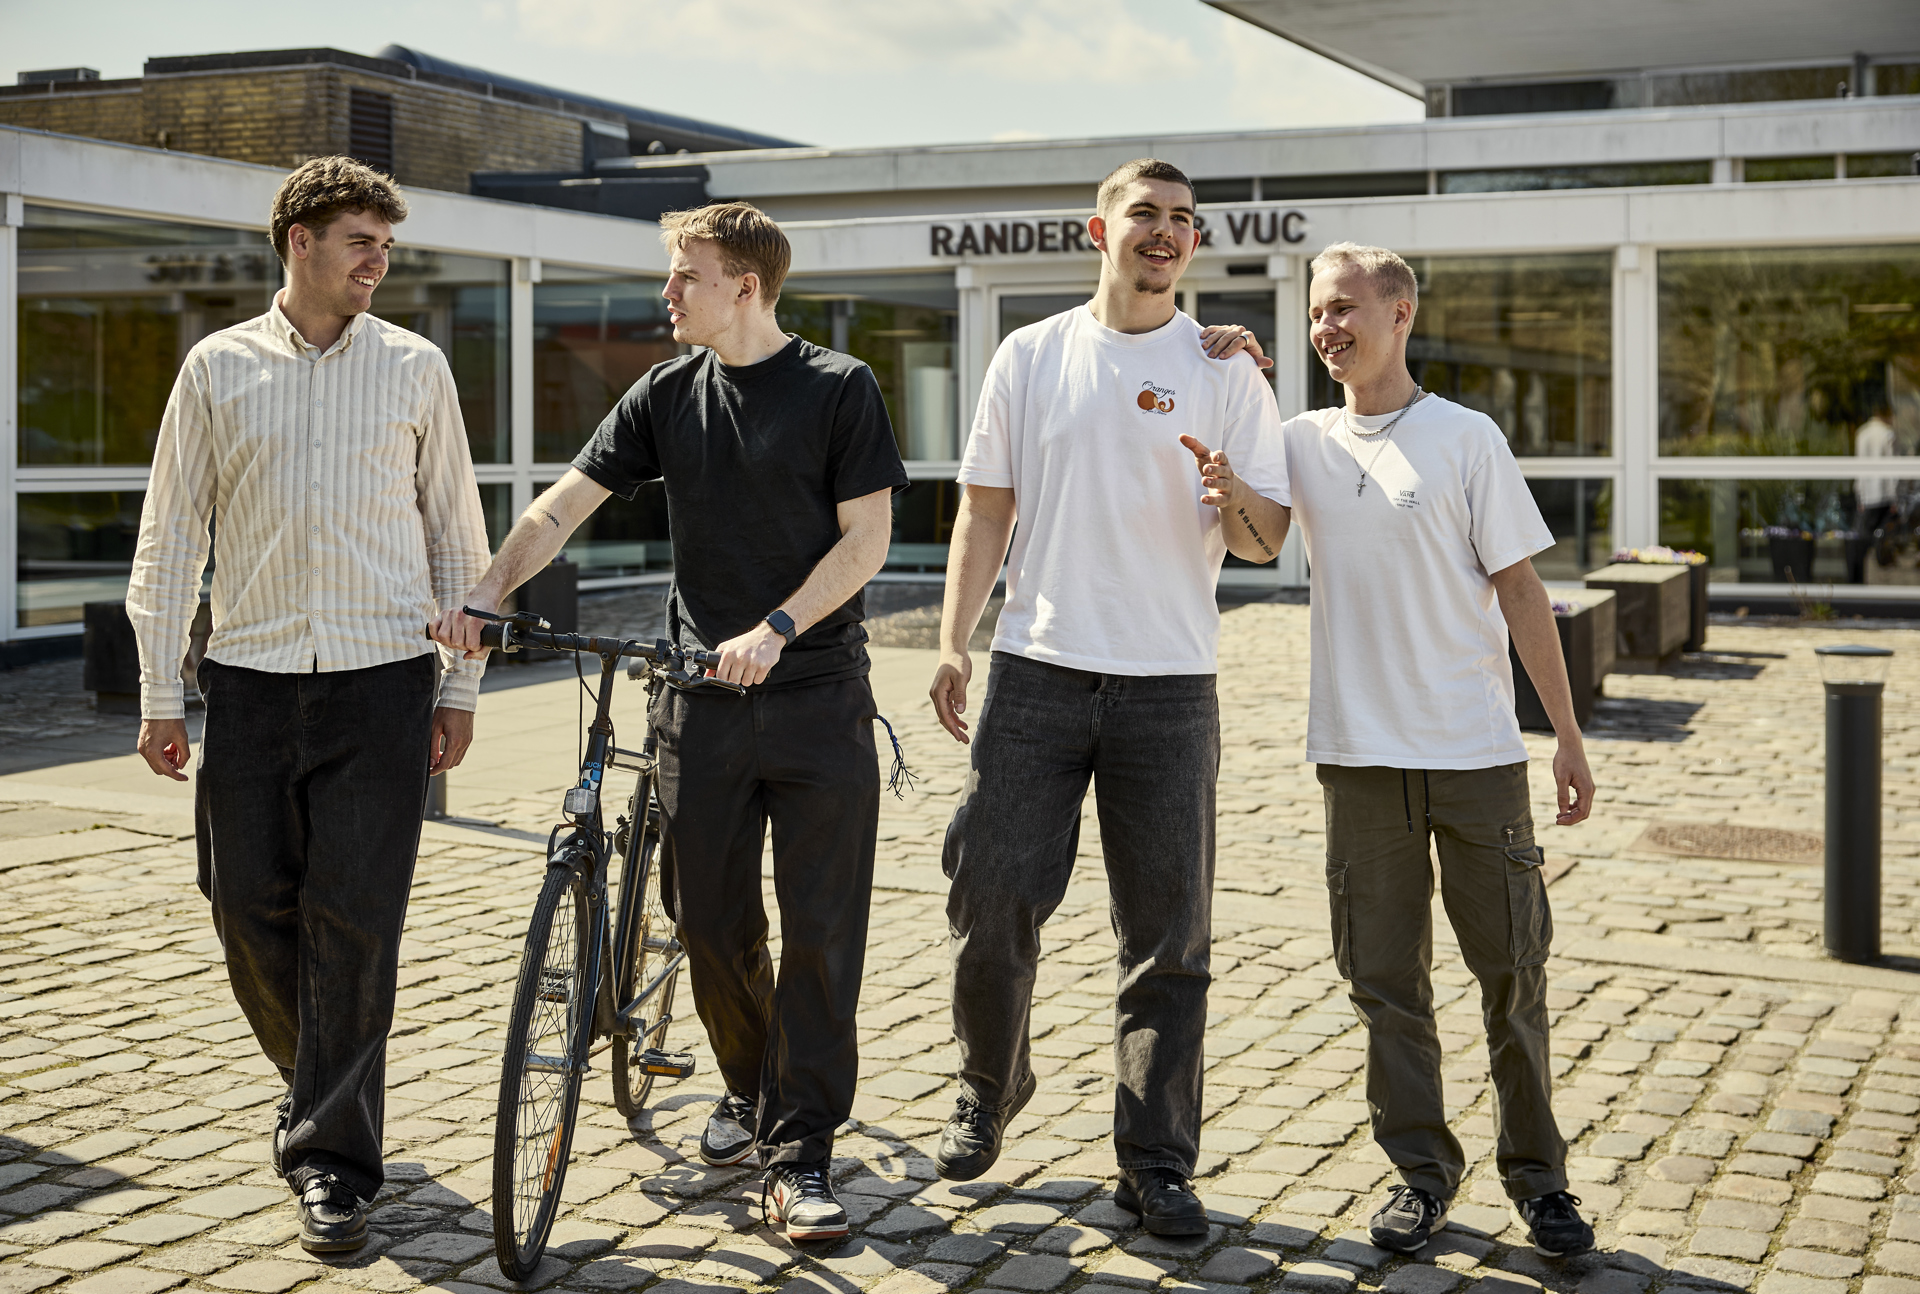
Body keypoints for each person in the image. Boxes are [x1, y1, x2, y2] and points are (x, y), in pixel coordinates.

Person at [430, 202, 905, 1244]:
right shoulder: (666, 393)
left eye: (686, 275)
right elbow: (562, 505)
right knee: (708, 924)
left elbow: (867, 539)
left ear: (746, 286)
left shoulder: (839, 387)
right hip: (698, 699)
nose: (668, 293)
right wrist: (487, 593)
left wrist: (777, 628)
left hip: (818, 697)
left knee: (822, 932)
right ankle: (752, 1086)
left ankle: (801, 1151)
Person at [128, 157, 490, 1254]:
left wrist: (462, 683)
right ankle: (322, 1077)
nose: (378, 262)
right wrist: (159, 690)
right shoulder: (215, 367)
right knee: (244, 906)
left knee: (357, 920)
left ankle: (332, 1158)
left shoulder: (416, 368)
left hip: (384, 682)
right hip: (249, 679)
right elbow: (172, 535)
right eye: (359, 243)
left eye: (386, 246)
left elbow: (454, 534)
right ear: (299, 240)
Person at [928, 158, 1291, 1237]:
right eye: (1145, 214)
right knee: (990, 894)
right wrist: (954, 643)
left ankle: (1157, 1158)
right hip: (1035, 671)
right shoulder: (1031, 353)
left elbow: (1265, 542)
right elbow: (985, 510)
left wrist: (1234, 494)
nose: (1165, 232)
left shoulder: (1228, 371)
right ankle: (989, 1083)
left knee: (1169, 935)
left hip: (1170, 686)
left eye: (1183, 219)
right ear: (1101, 230)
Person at [1285, 241, 1597, 1258]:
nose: (1328, 327)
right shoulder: (1301, 442)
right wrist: (1221, 354)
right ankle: (1421, 1175)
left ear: (1400, 313)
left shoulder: (1466, 438)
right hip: (1359, 760)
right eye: (1317, 311)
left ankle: (1541, 1181)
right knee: (1385, 982)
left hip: (1475, 757)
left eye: (1345, 308)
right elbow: (1240, 513)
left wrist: (1566, 737)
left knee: (1513, 973)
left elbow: (1522, 592)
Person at [1854, 400, 1899, 582]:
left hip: (1868, 495)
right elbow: (1892, 468)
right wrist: (1895, 497)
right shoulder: (1887, 434)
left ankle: (1861, 576)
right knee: (1884, 537)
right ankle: (1881, 571)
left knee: (1865, 539)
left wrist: (1860, 496)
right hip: (1884, 494)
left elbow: (1858, 467)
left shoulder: (1862, 433)